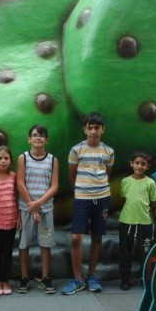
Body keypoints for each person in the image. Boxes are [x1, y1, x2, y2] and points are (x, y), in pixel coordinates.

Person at [61, 112, 114, 295]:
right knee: (76, 237)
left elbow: (108, 174)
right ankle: (77, 279)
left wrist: (99, 190)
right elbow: (72, 175)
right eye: (90, 128)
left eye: (96, 128)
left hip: (102, 197)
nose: (93, 131)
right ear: (84, 129)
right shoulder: (76, 150)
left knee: (97, 236)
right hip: (81, 198)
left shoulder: (109, 151)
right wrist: (79, 192)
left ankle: (91, 276)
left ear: (102, 129)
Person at [16, 124, 59, 294]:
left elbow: (54, 186)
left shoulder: (53, 160)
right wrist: (32, 209)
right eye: (34, 135)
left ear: (47, 140)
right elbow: (20, 184)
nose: (38, 138)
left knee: (45, 244)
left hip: (46, 209)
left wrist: (39, 203)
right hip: (26, 209)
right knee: (24, 244)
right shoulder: (23, 158)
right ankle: (24, 277)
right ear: (29, 139)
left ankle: (46, 277)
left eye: (41, 135)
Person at [118, 151, 156, 291]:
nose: (139, 166)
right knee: (125, 251)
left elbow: (154, 202)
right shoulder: (125, 181)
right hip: (126, 221)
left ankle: (144, 277)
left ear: (148, 166)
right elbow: (124, 198)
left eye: (143, 164)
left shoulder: (150, 183)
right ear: (131, 163)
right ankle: (125, 278)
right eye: (137, 163)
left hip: (145, 222)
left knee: (145, 251)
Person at [0, 146, 20, 296]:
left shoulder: (14, 177)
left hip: (11, 222)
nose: (3, 161)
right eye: (0, 158)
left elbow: (18, 197)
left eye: (6, 158)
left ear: (11, 161)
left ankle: (5, 281)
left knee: (7, 253)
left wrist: (19, 216)